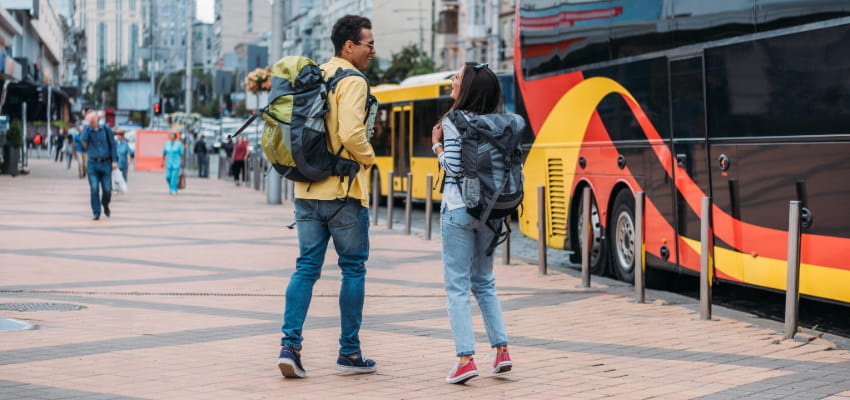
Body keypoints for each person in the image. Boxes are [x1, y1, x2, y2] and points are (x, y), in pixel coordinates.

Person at [277, 14, 377, 379]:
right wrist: (369, 159)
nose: (372, 50)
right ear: (348, 46)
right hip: (344, 193)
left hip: (305, 188)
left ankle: (290, 346)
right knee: (353, 269)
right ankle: (349, 353)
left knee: (306, 268)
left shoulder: (315, 74)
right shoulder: (353, 80)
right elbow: (352, 133)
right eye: (368, 44)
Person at [431, 62, 512, 384]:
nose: (452, 80)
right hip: (492, 210)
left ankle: (466, 358)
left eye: (458, 77)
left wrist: (436, 145)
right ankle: (502, 351)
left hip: (459, 209)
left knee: (457, 286)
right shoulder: (499, 121)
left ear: (468, 89)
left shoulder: (453, 120)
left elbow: (452, 167)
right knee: (485, 282)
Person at [81, 111, 118, 220]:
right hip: (93, 164)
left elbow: (113, 144)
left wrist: (114, 160)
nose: (92, 120)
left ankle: (105, 205)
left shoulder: (106, 129)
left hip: (106, 163)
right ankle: (96, 212)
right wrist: (87, 125)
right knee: (94, 188)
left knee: (107, 190)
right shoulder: (87, 131)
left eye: (93, 117)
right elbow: (83, 141)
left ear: (97, 118)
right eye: (89, 118)